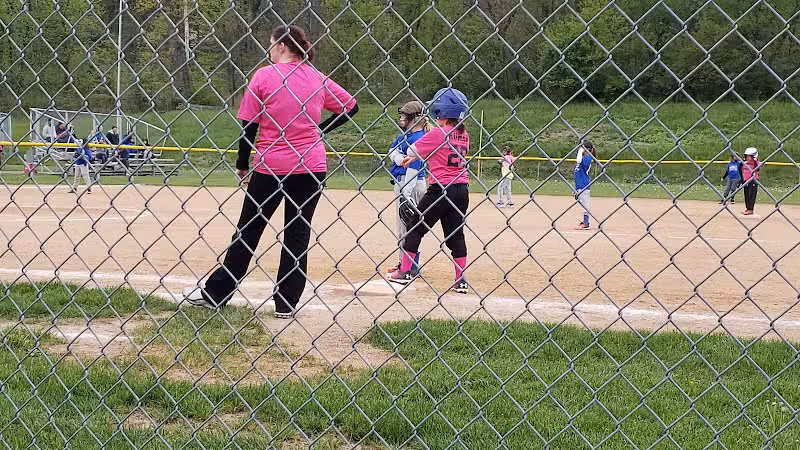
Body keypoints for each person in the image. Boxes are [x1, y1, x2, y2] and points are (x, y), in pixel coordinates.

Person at [183, 24, 358, 318]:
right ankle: (286, 303)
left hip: (271, 166)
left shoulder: (265, 75)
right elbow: (350, 107)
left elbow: (249, 125)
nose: (270, 50)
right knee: (297, 232)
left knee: (249, 230)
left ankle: (217, 294)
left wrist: (242, 164)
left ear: (280, 46)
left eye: (271, 44)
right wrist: (319, 131)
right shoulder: (315, 76)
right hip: (310, 167)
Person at [388, 87, 471, 294]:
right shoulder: (464, 135)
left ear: (440, 112)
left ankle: (405, 271)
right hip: (461, 189)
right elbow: (439, 152)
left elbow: (411, 149)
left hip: (440, 189)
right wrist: (416, 157)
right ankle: (460, 280)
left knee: (415, 227)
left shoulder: (438, 132)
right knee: (456, 235)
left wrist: (412, 155)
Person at [386, 100, 428, 275]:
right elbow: (391, 152)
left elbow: (414, 166)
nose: (401, 118)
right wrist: (399, 158)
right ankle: (405, 263)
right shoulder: (404, 136)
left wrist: (406, 193)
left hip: (412, 183)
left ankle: (410, 266)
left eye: (405, 115)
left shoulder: (420, 138)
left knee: (409, 225)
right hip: (401, 180)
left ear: (414, 118)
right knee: (402, 226)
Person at [573, 139, 596, 230]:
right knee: (582, 202)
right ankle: (585, 221)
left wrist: (580, 151)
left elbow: (578, 160)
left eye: (582, 148)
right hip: (579, 184)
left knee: (585, 204)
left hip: (584, 185)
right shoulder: (584, 157)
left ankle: (586, 223)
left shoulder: (588, 158)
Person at [742, 147, 760, 216]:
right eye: (746, 156)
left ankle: (751, 209)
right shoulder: (745, 163)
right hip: (746, 181)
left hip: (753, 180)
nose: (747, 157)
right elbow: (742, 171)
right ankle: (748, 208)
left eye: (749, 156)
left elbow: (757, 169)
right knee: (746, 195)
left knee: (751, 194)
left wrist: (755, 161)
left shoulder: (756, 163)